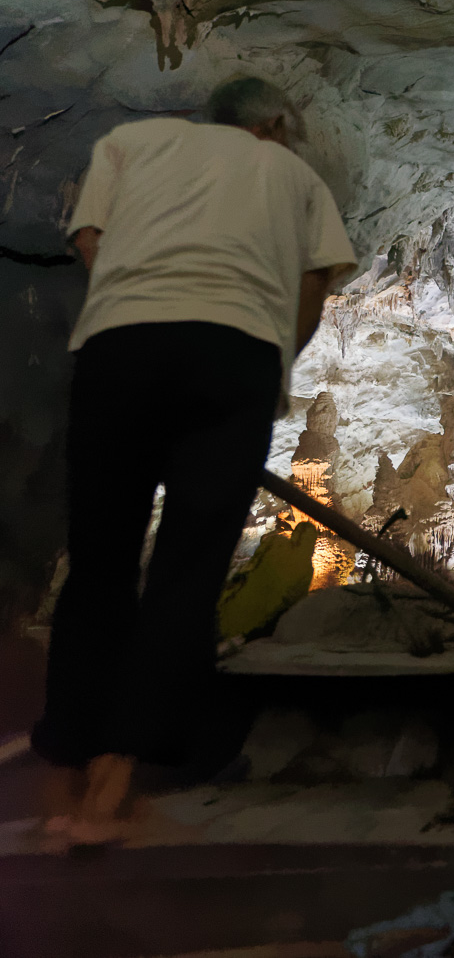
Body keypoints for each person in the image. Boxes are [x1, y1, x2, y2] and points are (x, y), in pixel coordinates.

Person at [30, 77, 356, 845]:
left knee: (100, 562)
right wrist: (276, 362)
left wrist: (139, 306)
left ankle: (59, 784)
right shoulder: (296, 176)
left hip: (119, 351)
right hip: (231, 355)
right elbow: (311, 286)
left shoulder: (130, 144)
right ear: (275, 124)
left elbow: (90, 244)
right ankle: (118, 788)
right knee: (186, 570)